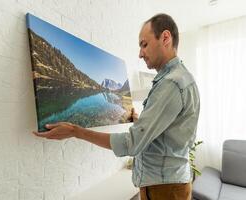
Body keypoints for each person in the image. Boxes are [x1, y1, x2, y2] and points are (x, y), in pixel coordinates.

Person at [33, 13, 200, 200]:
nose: (140, 53)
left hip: (164, 189)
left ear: (165, 38)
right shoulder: (181, 78)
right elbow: (168, 131)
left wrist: (75, 131)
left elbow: (132, 143)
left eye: (144, 44)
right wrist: (141, 120)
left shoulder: (171, 83)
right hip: (168, 184)